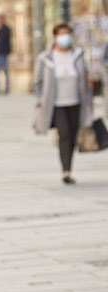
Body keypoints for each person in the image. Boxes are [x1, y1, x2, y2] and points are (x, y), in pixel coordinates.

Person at [34, 23, 93, 185]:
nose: (65, 37)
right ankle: (66, 171)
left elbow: (85, 79)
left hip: (76, 102)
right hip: (57, 104)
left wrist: (88, 99)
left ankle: (69, 166)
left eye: (67, 34)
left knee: (73, 135)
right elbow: (38, 82)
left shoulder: (78, 54)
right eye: (61, 34)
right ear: (55, 37)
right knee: (65, 133)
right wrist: (42, 100)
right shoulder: (46, 58)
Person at [0, 14, 11, 94]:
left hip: (3, 53)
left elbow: (4, 41)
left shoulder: (5, 29)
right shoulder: (0, 29)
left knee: (4, 71)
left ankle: (6, 88)